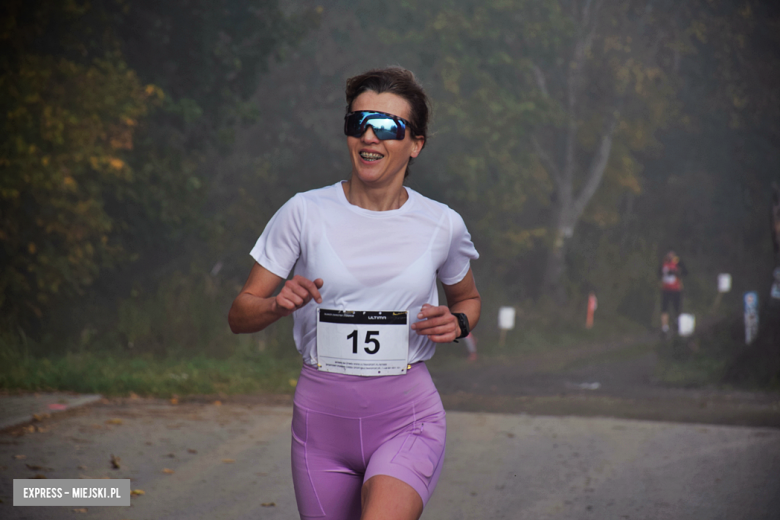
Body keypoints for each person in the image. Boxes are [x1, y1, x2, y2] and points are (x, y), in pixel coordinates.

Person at [228, 67, 481, 520]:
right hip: (321, 427)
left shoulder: (443, 223)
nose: (369, 136)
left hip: (408, 420)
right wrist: (275, 303)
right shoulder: (303, 212)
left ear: (415, 143)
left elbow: (468, 299)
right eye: (357, 122)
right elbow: (239, 314)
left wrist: (459, 322)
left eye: (387, 126)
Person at [659, 250, 687, 336]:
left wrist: (677, 273)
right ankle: (664, 328)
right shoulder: (663, 263)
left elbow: (685, 272)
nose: (670, 255)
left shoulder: (678, 262)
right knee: (664, 309)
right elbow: (658, 274)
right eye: (669, 253)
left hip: (676, 290)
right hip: (666, 290)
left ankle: (677, 324)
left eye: (672, 253)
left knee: (677, 308)